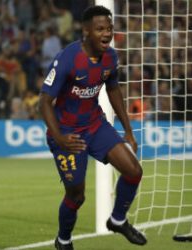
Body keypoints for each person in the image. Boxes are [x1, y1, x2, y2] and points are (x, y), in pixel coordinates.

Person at [39, 6, 147, 250]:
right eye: (100, 29)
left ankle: (117, 220)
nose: (106, 33)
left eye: (109, 28)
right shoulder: (67, 59)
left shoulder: (110, 57)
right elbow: (43, 102)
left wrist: (127, 130)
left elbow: (113, 88)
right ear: (86, 31)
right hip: (68, 134)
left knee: (134, 171)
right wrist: (59, 137)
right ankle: (63, 240)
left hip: (96, 125)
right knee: (77, 196)